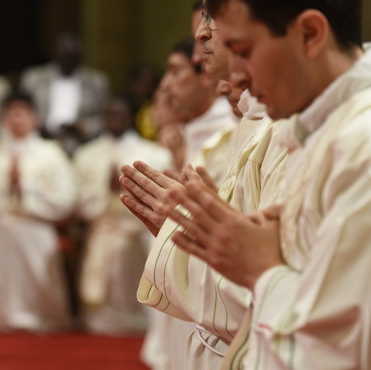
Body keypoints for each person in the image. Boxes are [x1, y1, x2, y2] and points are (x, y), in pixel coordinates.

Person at [159, 0, 371, 368]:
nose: (235, 78)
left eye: (243, 51)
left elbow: (355, 353)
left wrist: (259, 269)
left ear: (310, 34)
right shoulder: (323, 129)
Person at [121, 4, 287, 369]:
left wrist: (196, 228)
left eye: (214, 21)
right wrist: (191, 226)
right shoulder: (260, 119)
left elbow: (281, 291)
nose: (200, 39)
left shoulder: (294, 128)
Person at [0, 91, 77, 332]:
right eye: (11, 114)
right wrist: (0, 187)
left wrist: (24, 187)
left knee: (39, 284)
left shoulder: (52, 154)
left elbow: (65, 200)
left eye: (22, 113)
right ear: (2, 118)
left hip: (35, 227)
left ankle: (40, 317)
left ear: (34, 117)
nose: (17, 120)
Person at [74, 97, 172, 335]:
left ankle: (140, 322)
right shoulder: (86, 154)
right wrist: (104, 191)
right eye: (110, 114)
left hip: (138, 232)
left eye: (120, 114)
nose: (115, 119)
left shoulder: (155, 153)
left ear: (131, 117)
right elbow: (76, 198)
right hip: (103, 228)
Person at [20, 32, 110, 155]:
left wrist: (82, 127)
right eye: (64, 56)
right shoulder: (34, 78)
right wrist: (39, 125)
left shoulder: (96, 81)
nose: (68, 61)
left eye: (72, 57)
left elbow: (104, 118)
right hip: (39, 138)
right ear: (55, 54)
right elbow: (22, 110)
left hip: (82, 142)